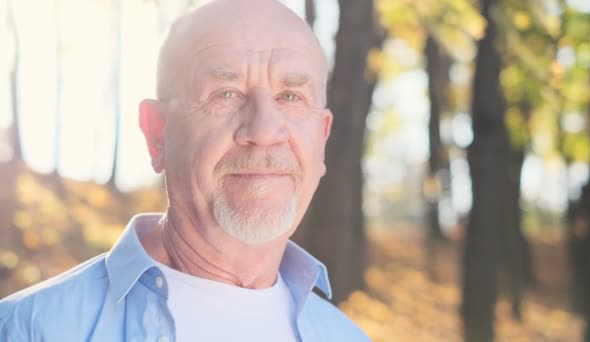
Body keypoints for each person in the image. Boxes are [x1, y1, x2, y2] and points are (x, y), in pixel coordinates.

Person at [0, 0, 370, 341]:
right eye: (225, 93)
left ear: (322, 139)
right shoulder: (28, 329)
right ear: (157, 133)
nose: (263, 131)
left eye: (291, 97)